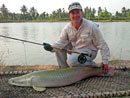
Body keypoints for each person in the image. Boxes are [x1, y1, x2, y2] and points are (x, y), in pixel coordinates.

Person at [43, 2, 110, 74]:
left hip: (89, 51)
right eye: (73, 13)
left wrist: (105, 61)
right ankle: (64, 70)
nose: (75, 15)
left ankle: (92, 65)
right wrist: (51, 48)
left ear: (82, 13)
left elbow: (102, 44)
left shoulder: (92, 26)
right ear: (69, 15)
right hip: (76, 49)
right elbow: (60, 42)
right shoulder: (67, 28)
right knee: (58, 48)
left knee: (72, 61)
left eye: (78, 12)